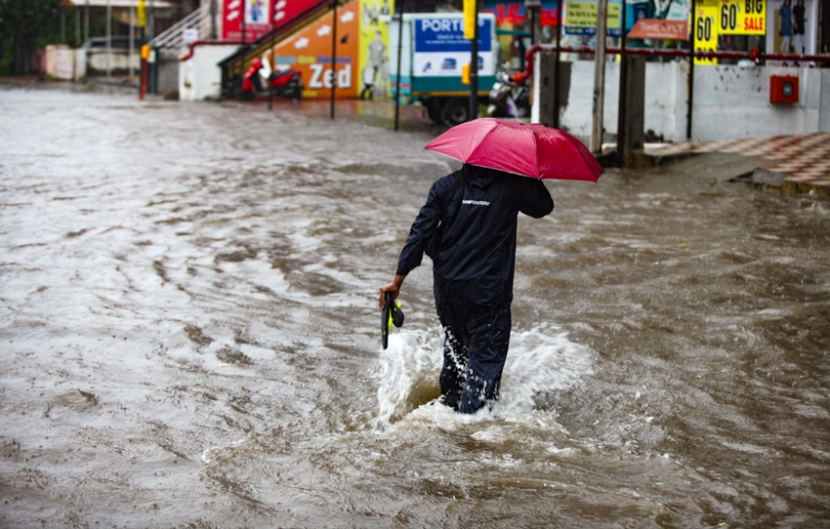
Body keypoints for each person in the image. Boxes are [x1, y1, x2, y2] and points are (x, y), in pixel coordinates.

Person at [378, 164, 554, 414]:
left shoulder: (445, 186)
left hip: (448, 295)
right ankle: (469, 436)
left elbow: (420, 232)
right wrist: (533, 172)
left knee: (456, 357)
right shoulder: (512, 187)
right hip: (489, 298)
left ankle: (448, 413)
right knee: (483, 371)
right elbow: (543, 207)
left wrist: (398, 280)